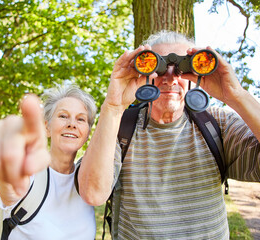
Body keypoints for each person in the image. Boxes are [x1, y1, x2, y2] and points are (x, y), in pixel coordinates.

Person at [77, 30, 260, 239]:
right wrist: (113, 107)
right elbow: (92, 193)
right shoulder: (119, 127)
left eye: (182, 69)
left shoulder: (218, 124)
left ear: (195, 77)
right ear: (143, 75)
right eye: (159, 68)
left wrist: (236, 95)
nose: (170, 78)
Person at [0, 86, 97, 239]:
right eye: (63, 116)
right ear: (46, 127)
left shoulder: (88, 180)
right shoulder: (29, 173)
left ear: (87, 133)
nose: (72, 124)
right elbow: (10, 192)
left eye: (81, 119)